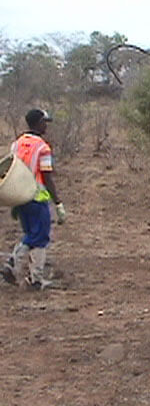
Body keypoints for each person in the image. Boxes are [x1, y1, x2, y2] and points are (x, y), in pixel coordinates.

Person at [1, 109, 66, 290]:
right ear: (38, 123)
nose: (46, 126)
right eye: (44, 122)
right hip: (37, 197)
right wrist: (58, 202)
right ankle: (14, 265)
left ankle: (35, 279)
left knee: (32, 234)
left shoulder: (17, 144)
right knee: (39, 236)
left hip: (19, 196)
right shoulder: (42, 148)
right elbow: (47, 177)